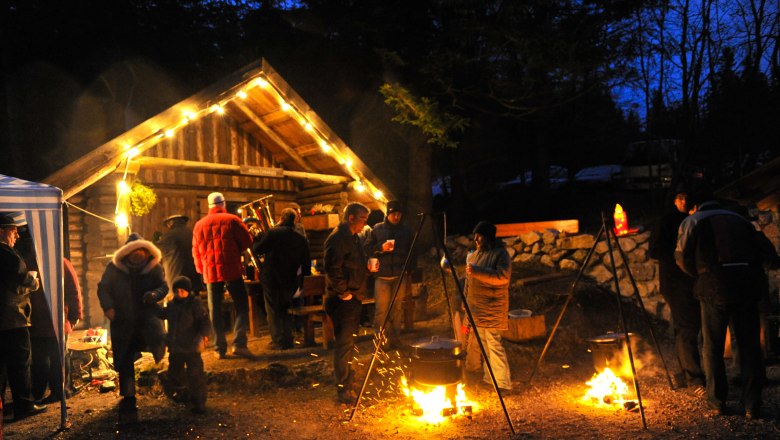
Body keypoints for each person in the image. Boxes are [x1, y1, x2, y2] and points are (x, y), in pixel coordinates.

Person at [675, 187, 767, 418]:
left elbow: (682, 257)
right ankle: (752, 404)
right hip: (747, 284)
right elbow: (765, 251)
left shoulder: (692, 221)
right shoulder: (741, 219)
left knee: (713, 346)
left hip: (713, 286)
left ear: (695, 206)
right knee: (750, 346)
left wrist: (700, 276)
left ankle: (717, 402)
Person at [97, 232, 168, 411]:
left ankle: (168, 379)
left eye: (141, 251)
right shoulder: (114, 268)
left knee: (157, 342)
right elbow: (103, 288)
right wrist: (109, 308)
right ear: (127, 253)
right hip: (123, 319)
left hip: (146, 318)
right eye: (134, 251)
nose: (138, 255)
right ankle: (128, 394)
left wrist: (155, 295)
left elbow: (163, 286)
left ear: (145, 251)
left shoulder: (154, 267)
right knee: (125, 355)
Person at [648, 185, 704, 392]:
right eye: (679, 198)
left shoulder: (695, 219)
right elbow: (654, 250)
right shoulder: (666, 221)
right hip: (675, 280)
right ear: (673, 200)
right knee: (688, 327)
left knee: (684, 327)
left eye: (686, 198)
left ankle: (685, 373)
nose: (683, 202)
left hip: (692, 280)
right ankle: (694, 377)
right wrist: (677, 254)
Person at [192, 192, 255, 359]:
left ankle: (219, 349)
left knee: (215, 310)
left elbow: (196, 252)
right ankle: (239, 344)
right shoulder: (232, 220)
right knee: (242, 306)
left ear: (209, 206)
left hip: (210, 273)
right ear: (223, 204)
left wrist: (202, 270)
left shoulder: (199, 225)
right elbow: (248, 241)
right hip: (232, 269)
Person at [0, 213, 47, 421]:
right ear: (1, 231)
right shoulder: (5, 252)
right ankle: (24, 405)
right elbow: (22, 277)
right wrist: (34, 281)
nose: (17, 236)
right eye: (13, 231)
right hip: (11, 318)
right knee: (20, 362)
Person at [324, 202, 370, 404]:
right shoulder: (338, 238)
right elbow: (332, 267)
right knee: (344, 345)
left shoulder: (353, 238)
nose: (365, 224)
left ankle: (348, 383)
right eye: (363, 219)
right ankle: (343, 389)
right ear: (351, 217)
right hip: (343, 300)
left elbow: (352, 263)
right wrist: (343, 293)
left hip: (353, 296)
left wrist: (367, 268)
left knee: (349, 344)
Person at [252, 208, 311, 350]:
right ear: (294, 221)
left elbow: (258, 249)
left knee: (273, 309)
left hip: (271, 277)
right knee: (286, 308)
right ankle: (288, 340)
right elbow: (306, 263)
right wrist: (302, 281)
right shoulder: (301, 239)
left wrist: (256, 238)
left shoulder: (273, 232)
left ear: (282, 218)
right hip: (290, 278)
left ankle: (278, 340)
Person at [464, 221, 512, 392]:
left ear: (488, 236)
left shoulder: (501, 254)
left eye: (480, 235)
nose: (476, 238)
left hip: (492, 307)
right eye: (475, 235)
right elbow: (468, 281)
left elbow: (502, 277)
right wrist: (465, 301)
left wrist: (478, 271)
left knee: (494, 344)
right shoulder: (473, 255)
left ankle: (503, 383)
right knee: (484, 344)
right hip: (476, 307)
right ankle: (489, 379)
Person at [29, 256, 83, 404]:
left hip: (56, 321)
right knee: (41, 360)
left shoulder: (61, 263)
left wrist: (75, 316)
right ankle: (38, 392)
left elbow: (73, 290)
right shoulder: (32, 263)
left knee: (57, 358)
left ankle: (58, 391)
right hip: (38, 323)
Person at [364, 201, 413, 349]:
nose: (397, 217)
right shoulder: (377, 229)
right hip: (382, 277)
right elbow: (367, 248)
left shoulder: (406, 231)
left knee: (397, 309)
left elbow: (412, 251)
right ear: (388, 214)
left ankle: (395, 339)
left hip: (399, 276)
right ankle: (380, 341)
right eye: (394, 214)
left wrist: (409, 269)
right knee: (381, 310)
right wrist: (381, 248)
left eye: (399, 214)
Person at [159, 276, 211, 414]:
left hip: (191, 347)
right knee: (175, 374)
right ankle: (184, 398)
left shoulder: (195, 305)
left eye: (182, 290)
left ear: (188, 291)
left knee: (195, 375)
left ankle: (199, 403)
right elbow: (162, 314)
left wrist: (202, 337)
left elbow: (204, 322)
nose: (179, 293)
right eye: (177, 291)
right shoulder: (171, 305)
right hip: (176, 348)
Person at [157, 214, 203, 293]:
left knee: (178, 300)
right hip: (194, 276)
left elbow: (159, 251)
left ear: (171, 223)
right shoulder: (192, 233)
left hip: (176, 275)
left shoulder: (169, 236)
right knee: (193, 299)